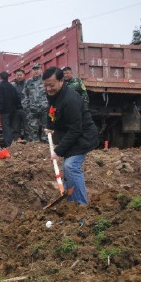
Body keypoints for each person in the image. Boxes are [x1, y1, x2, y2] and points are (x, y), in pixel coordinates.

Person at [43, 67, 98, 205]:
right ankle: (71, 203)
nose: (48, 88)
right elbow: (52, 110)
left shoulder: (70, 99)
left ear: (61, 81)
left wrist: (58, 151)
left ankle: (81, 205)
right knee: (68, 169)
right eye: (45, 85)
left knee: (70, 166)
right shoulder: (54, 94)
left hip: (83, 137)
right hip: (71, 136)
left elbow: (75, 129)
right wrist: (49, 126)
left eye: (51, 85)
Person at [23, 63, 48, 142]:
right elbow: (24, 95)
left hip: (45, 108)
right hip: (32, 109)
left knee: (46, 126)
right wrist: (26, 107)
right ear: (32, 71)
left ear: (41, 70)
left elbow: (51, 92)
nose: (36, 71)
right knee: (33, 127)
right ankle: (35, 143)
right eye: (34, 69)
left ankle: (45, 141)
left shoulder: (46, 80)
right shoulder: (28, 82)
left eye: (38, 69)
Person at [0, 71, 23, 147]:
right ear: (8, 77)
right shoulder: (12, 86)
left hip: (4, 111)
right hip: (13, 110)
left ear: (0, 77)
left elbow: (0, 100)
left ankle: (9, 144)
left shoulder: (0, 86)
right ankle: (16, 143)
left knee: (6, 128)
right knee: (14, 127)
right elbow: (16, 98)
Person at [11, 69, 27, 143]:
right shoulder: (13, 86)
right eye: (17, 75)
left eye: (20, 75)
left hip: (26, 109)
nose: (19, 76)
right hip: (16, 109)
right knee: (16, 127)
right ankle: (17, 140)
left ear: (24, 75)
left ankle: (28, 140)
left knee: (27, 126)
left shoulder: (28, 84)